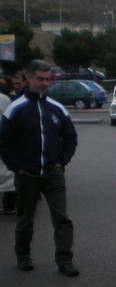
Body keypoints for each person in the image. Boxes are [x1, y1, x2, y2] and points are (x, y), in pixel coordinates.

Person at [0, 59, 80, 276]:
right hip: (27, 173)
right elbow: (3, 142)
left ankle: (64, 259)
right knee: (25, 218)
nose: (44, 83)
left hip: (52, 173)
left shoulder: (57, 108)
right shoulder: (15, 109)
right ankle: (23, 255)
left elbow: (70, 138)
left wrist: (61, 162)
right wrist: (16, 167)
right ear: (29, 79)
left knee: (62, 218)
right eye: (40, 79)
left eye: (47, 79)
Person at [0, 90, 15, 214]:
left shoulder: (3, 99)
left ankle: (9, 204)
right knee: (7, 174)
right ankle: (9, 204)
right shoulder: (5, 99)